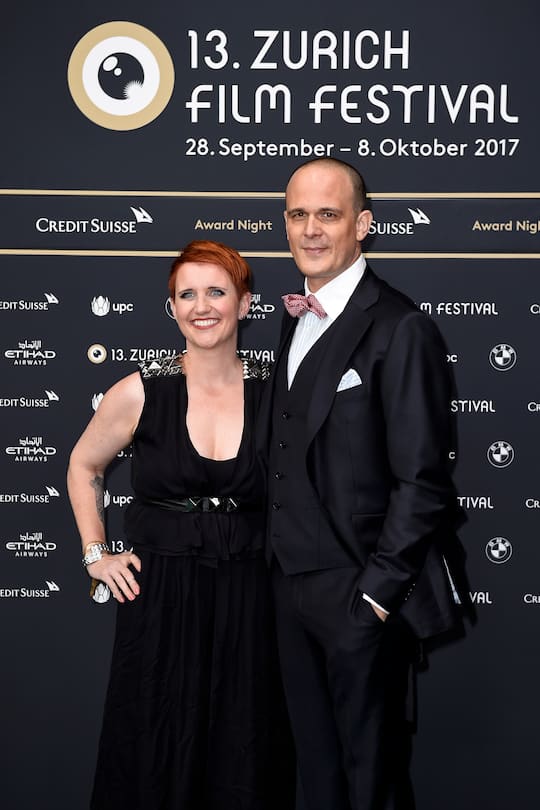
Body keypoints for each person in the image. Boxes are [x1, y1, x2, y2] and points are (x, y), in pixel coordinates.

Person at [259, 158, 466, 810]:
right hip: (288, 591)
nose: (311, 229)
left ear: (364, 225)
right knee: (316, 780)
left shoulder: (402, 327)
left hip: (361, 597)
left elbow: (423, 481)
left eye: (329, 213)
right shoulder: (293, 318)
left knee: (371, 783)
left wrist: (374, 600)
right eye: (298, 214)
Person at [67, 240, 294, 810]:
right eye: (186, 294)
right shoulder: (140, 391)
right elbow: (83, 465)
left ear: (245, 304)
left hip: (253, 595)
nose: (202, 306)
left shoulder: (279, 393)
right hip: (160, 596)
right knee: (153, 745)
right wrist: (97, 553)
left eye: (217, 291)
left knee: (247, 747)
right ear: (172, 309)